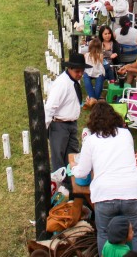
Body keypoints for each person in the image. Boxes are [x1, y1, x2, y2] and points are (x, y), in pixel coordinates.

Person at [71, 101, 137, 256]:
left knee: (104, 234)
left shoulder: (91, 140)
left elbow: (82, 172)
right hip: (131, 192)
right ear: (115, 117)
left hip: (105, 195)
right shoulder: (126, 134)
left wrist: (73, 166)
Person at [44, 51, 85, 181]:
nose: (80, 74)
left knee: (72, 155)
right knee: (58, 158)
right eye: (77, 71)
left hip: (71, 124)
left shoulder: (74, 81)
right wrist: (44, 128)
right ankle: (59, 186)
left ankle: (71, 184)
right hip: (59, 124)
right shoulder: (62, 83)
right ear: (70, 68)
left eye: (82, 71)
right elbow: (50, 107)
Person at [83, 38, 106, 103]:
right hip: (98, 72)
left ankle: (91, 98)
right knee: (100, 80)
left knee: (86, 78)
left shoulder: (86, 55)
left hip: (88, 72)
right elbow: (101, 64)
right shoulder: (101, 55)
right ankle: (95, 99)